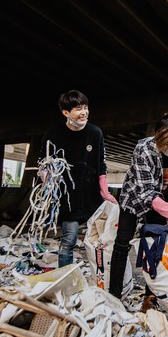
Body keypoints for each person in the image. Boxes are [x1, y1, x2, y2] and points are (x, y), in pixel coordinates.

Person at [108, 112, 168, 310]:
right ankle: (113, 297)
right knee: (122, 245)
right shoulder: (143, 148)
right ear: (158, 136)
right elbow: (147, 192)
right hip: (133, 200)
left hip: (162, 203)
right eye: (167, 144)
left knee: (154, 249)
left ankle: (150, 299)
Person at [38, 89, 117, 268]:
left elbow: (101, 165)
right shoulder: (52, 136)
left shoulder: (95, 133)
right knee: (69, 241)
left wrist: (104, 191)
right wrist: (48, 185)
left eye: (85, 107)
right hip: (69, 200)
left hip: (92, 197)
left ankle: (100, 276)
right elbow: (43, 166)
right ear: (66, 113)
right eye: (78, 109)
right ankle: (65, 277)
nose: (84, 112)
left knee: (99, 241)